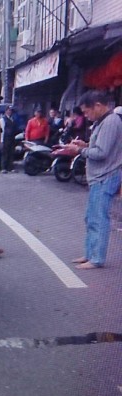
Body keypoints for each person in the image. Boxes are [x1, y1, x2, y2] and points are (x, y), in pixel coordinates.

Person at [62, 90, 122, 269]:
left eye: (87, 111)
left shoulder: (111, 121)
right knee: (91, 217)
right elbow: (100, 146)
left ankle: (96, 259)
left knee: (98, 218)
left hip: (105, 176)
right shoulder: (102, 122)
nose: (86, 116)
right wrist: (84, 145)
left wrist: (78, 151)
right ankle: (90, 253)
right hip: (98, 177)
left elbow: (101, 153)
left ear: (98, 105)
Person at [0, 106, 17, 173]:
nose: (10, 111)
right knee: (5, 153)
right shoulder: (2, 120)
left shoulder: (12, 119)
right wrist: (1, 140)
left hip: (11, 139)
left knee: (11, 153)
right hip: (5, 138)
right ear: (6, 111)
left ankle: (10, 167)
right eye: (8, 110)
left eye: (10, 110)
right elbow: (2, 130)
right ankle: (3, 168)